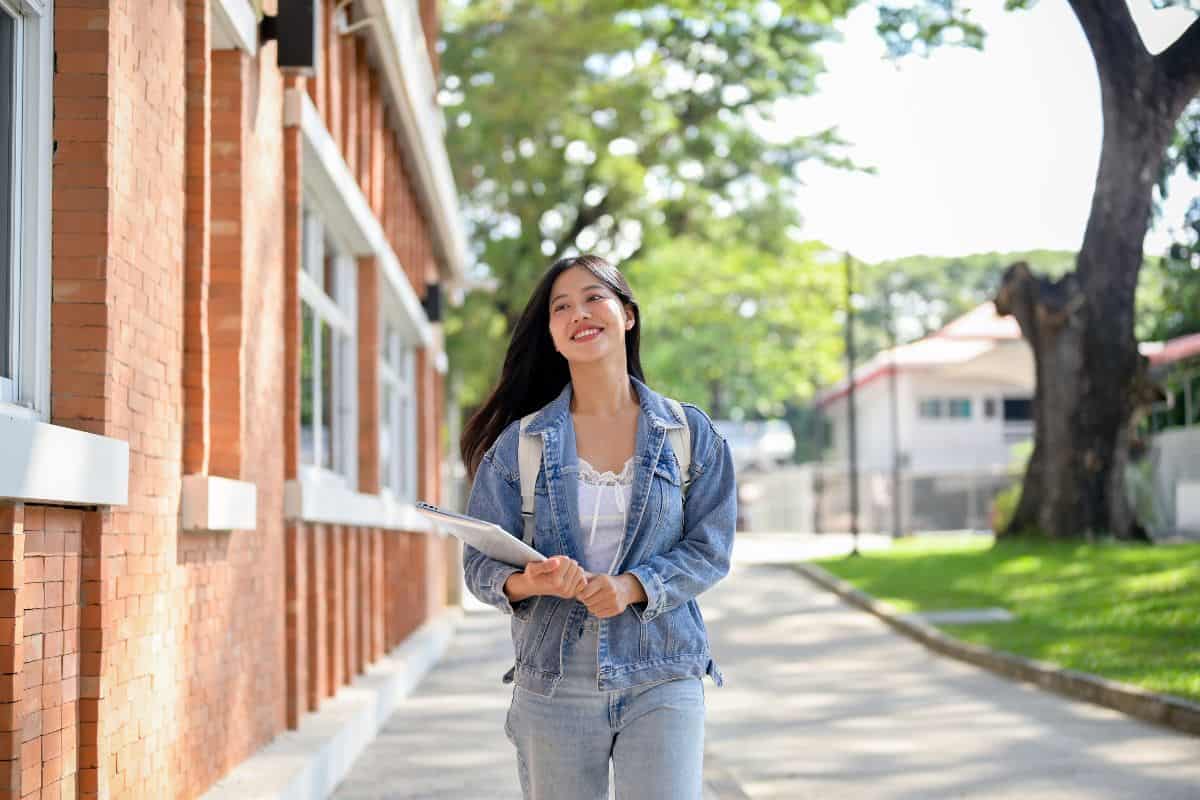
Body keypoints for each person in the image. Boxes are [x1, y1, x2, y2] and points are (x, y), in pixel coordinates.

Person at [459, 254, 737, 800]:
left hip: (662, 670)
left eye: (594, 298)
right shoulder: (520, 446)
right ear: (552, 335)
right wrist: (530, 581)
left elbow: (712, 548)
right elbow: (479, 564)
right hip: (555, 680)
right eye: (561, 307)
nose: (579, 314)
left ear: (627, 315)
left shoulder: (687, 433)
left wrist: (633, 586)